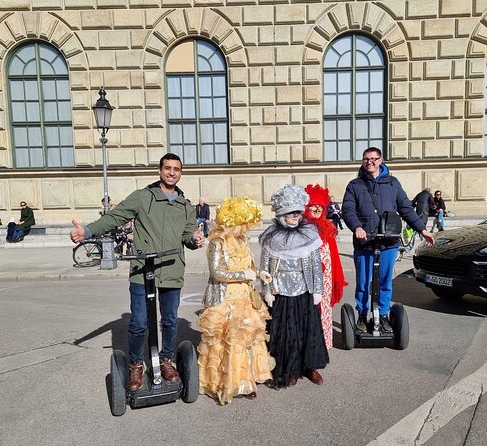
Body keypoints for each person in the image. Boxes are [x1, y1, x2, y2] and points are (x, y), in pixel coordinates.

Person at [69, 153, 204, 391]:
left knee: (171, 321)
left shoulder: (186, 206)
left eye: (177, 169)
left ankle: (166, 360)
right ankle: (135, 364)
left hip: (171, 269)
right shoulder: (143, 197)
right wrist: (88, 231)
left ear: (181, 173)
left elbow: (187, 236)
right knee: (139, 323)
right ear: (159, 170)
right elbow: (115, 217)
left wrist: (194, 239)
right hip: (143, 269)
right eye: (168, 168)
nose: (172, 173)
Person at [342, 147, 435, 333]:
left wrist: (422, 230)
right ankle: (361, 313)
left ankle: (383, 314)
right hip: (365, 242)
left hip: (389, 241)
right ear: (362, 161)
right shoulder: (355, 185)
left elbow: (406, 208)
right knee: (362, 282)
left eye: (374, 159)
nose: (370, 162)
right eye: (366, 159)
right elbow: (348, 210)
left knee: (385, 281)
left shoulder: (393, 183)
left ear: (381, 160)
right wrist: (357, 227)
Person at [197, 196, 275, 404]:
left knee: (248, 338)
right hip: (225, 299)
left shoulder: (243, 241)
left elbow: (249, 267)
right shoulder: (217, 243)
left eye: (248, 225)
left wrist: (260, 273)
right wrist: (245, 276)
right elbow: (216, 272)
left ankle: (249, 378)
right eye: (243, 224)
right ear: (232, 222)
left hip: (245, 297)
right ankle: (236, 383)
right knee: (230, 340)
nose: (246, 229)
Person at [258, 184, 328, 387]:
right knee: (286, 333)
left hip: (304, 290)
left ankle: (310, 366)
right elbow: (264, 266)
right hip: (281, 291)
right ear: (282, 215)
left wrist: (318, 290)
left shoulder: (309, 233)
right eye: (291, 213)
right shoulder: (271, 236)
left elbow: (316, 265)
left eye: (298, 212)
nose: (296, 216)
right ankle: (289, 368)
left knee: (307, 330)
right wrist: (267, 291)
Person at [303, 184, 347, 350]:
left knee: (324, 310)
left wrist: (335, 277)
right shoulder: (301, 228)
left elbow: (334, 256)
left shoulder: (328, 228)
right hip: (306, 278)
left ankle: (321, 348)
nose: (316, 209)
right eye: (312, 206)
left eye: (319, 206)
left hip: (326, 277)